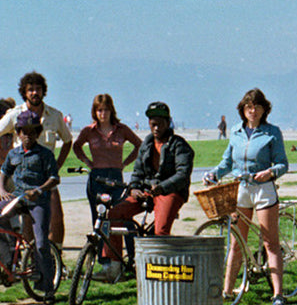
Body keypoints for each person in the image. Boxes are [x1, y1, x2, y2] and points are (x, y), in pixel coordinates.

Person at [205, 89, 289, 305]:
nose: (253, 111)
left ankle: (278, 293)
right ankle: (227, 290)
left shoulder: (272, 132)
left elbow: (282, 164)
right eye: (249, 107)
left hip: (263, 190)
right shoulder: (235, 132)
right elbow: (226, 163)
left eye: (257, 107)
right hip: (240, 189)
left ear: (264, 109)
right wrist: (214, 174)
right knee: (236, 243)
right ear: (243, 110)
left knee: (270, 242)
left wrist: (270, 173)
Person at [101, 102, 194, 281]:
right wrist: (134, 187)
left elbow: (183, 175)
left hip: (170, 191)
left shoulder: (179, 145)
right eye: (153, 123)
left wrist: (162, 187)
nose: (156, 127)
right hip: (147, 191)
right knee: (113, 215)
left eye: (160, 123)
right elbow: (137, 172)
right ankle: (115, 267)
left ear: (168, 123)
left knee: (160, 231)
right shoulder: (147, 143)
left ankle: (158, 272)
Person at [0, 72, 73, 250]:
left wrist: (58, 165)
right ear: (24, 92)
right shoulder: (15, 114)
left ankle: (57, 256)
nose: (34, 93)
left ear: (43, 91)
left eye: (38, 89)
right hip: (23, 179)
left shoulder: (54, 115)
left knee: (56, 216)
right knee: (28, 220)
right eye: (30, 89)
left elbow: (68, 140)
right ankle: (28, 258)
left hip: (46, 178)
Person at [0, 111, 59, 303]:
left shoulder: (45, 154)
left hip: (38, 201)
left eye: (32, 131)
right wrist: (1, 189)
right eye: (24, 131)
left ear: (38, 132)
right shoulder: (14, 153)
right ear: (18, 132)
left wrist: (40, 190)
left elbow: (54, 178)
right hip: (18, 198)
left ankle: (47, 288)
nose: (28, 135)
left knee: (41, 243)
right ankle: (8, 262)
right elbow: (4, 171)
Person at [72, 94, 142, 228]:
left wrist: (125, 163)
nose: (103, 114)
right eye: (99, 110)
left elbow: (139, 145)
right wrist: (87, 161)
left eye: (106, 110)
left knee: (122, 213)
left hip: (116, 176)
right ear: (94, 112)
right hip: (97, 177)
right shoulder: (89, 131)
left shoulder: (122, 129)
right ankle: (101, 248)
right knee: (99, 217)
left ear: (111, 110)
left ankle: (129, 247)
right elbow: (76, 146)